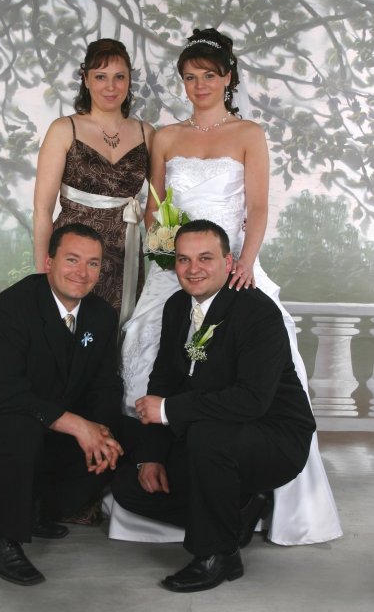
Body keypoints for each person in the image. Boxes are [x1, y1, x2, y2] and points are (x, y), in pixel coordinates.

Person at [114, 27, 342, 545]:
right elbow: (155, 208)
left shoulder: (249, 134)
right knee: (151, 354)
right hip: (177, 265)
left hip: (231, 261)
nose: (199, 85)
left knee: (245, 361)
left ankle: (245, 488)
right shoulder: (166, 137)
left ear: (228, 78)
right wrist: (164, 254)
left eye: (209, 76)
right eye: (190, 77)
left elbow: (257, 208)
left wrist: (246, 263)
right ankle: (164, 477)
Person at [112, 220, 317, 592]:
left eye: (205, 258)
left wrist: (168, 411)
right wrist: (152, 457)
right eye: (184, 259)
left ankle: (216, 555)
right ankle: (238, 513)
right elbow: (164, 381)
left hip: (274, 437)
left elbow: (252, 400)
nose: (193, 269)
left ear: (228, 262)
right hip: (210, 429)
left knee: (207, 437)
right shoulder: (177, 306)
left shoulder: (258, 312)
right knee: (129, 483)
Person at [0, 223, 124, 586]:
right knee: (22, 426)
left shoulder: (102, 315)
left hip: (47, 429)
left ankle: (38, 508)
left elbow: (105, 385)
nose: (82, 272)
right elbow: (7, 394)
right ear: (49, 261)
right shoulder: (12, 306)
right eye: (72, 260)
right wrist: (79, 426)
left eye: (92, 263)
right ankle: (1, 540)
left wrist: (102, 433)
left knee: (122, 435)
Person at [33, 38, 154, 327]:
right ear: (86, 80)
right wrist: (41, 273)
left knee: (117, 333)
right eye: (100, 77)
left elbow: (160, 204)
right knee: (70, 332)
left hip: (126, 253)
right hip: (73, 255)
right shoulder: (64, 129)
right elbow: (41, 210)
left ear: (129, 81)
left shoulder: (147, 133)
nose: (110, 87)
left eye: (119, 77)